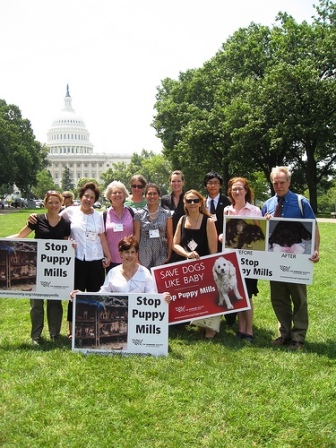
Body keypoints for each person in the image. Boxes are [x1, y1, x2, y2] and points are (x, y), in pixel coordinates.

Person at [261, 166, 320, 350]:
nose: (278, 186)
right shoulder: (268, 204)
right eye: (275, 183)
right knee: (278, 298)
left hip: (297, 259)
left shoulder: (301, 202)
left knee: (299, 298)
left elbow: (313, 227)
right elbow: (264, 233)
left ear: (289, 182)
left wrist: (316, 250)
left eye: (281, 182)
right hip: (275, 259)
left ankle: (298, 337)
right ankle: (284, 333)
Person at [8, 191, 71, 344]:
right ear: (45, 204)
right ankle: (36, 335)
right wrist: (2, 243)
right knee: (36, 303)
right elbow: (20, 236)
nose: (54, 205)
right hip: (35, 267)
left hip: (55, 269)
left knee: (55, 302)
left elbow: (66, 245)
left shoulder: (65, 223)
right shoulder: (37, 220)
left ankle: (54, 334)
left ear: (61, 203)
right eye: (51, 202)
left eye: (57, 202)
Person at [60, 182, 112, 337]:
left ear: (95, 200)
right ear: (81, 196)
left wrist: (107, 255)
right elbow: (57, 223)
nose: (88, 199)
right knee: (74, 296)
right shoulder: (70, 212)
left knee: (95, 295)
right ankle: (72, 329)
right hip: (77, 260)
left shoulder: (98, 215)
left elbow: (102, 237)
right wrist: (66, 240)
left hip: (95, 261)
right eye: (86, 196)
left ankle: (93, 327)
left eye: (92, 197)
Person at [173, 189, 219, 338]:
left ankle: (210, 330)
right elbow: (175, 244)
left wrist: (212, 269)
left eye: (195, 200)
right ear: (185, 203)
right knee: (194, 297)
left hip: (205, 265)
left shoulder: (208, 221)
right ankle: (200, 325)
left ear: (201, 202)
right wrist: (187, 254)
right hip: (188, 265)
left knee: (208, 296)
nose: (192, 203)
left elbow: (213, 250)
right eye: (189, 201)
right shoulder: (181, 220)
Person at [221, 177, 262, 342]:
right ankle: (240, 327)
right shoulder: (226, 211)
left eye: (240, 189)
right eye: (234, 189)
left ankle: (249, 330)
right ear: (230, 192)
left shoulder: (254, 211)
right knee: (237, 292)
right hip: (231, 259)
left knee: (248, 295)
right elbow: (224, 233)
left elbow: (258, 236)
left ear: (246, 191)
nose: (237, 192)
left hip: (250, 260)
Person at [71, 236, 171, 301]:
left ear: (136, 254)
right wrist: (80, 296)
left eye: (132, 252)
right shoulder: (113, 272)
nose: (129, 255)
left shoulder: (144, 272)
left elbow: (152, 295)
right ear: (120, 254)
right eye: (126, 252)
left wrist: (163, 298)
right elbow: (102, 295)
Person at [204, 171, 235, 326]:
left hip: (225, 247)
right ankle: (210, 313)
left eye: (215, 182)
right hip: (206, 247)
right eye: (209, 183)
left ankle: (230, 317)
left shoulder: (228, 202)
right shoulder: (201, 202)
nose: (213, 185)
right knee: (212, 280)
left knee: (227, 279)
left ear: (221, 185)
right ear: (205, 185)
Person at [134, 183, 173, 269]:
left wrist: (169, 255)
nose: (152, 196)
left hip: (161, 253)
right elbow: (136, 237)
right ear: (145, 196)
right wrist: (136, 256)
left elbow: (170, 236)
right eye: (149, 194)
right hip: (143, 253)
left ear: (159, 195)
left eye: (155, 193)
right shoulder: (138, 214)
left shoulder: (166, 214)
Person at [103, 181, 135, 271]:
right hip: (112, 260)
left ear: (124, 195)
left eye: (120, 192)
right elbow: (102, 238)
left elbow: (137, 234)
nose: (117, 194)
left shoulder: (132, 212)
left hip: (130, 258)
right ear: (109, 196)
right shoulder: (105, 215)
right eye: (114, 192)